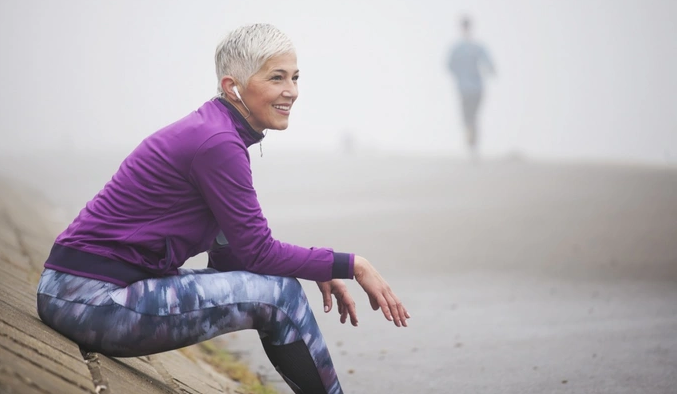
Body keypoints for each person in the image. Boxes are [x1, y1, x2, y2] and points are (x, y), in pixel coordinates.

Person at [36, 23, 409, 394]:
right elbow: (258, 252)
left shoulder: (215, 131)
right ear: (233, 87)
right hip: (90, 300)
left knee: (276, 288)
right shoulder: (217, 143)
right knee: (281, 296)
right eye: (277, 78)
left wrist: (315, 265)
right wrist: (351, 264)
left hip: (79, 290)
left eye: (295, 77)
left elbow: (232, 258)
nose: (292, 91)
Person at [446, 15, 496, 156]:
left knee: (468, 117)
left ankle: (471, 143)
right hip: (476, 88)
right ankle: (473, 145)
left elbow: (449, 66)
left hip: (465, 88)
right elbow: (491, 66)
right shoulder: (477, 47)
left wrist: (459, 75)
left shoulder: (457, 48)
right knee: (473, 117)